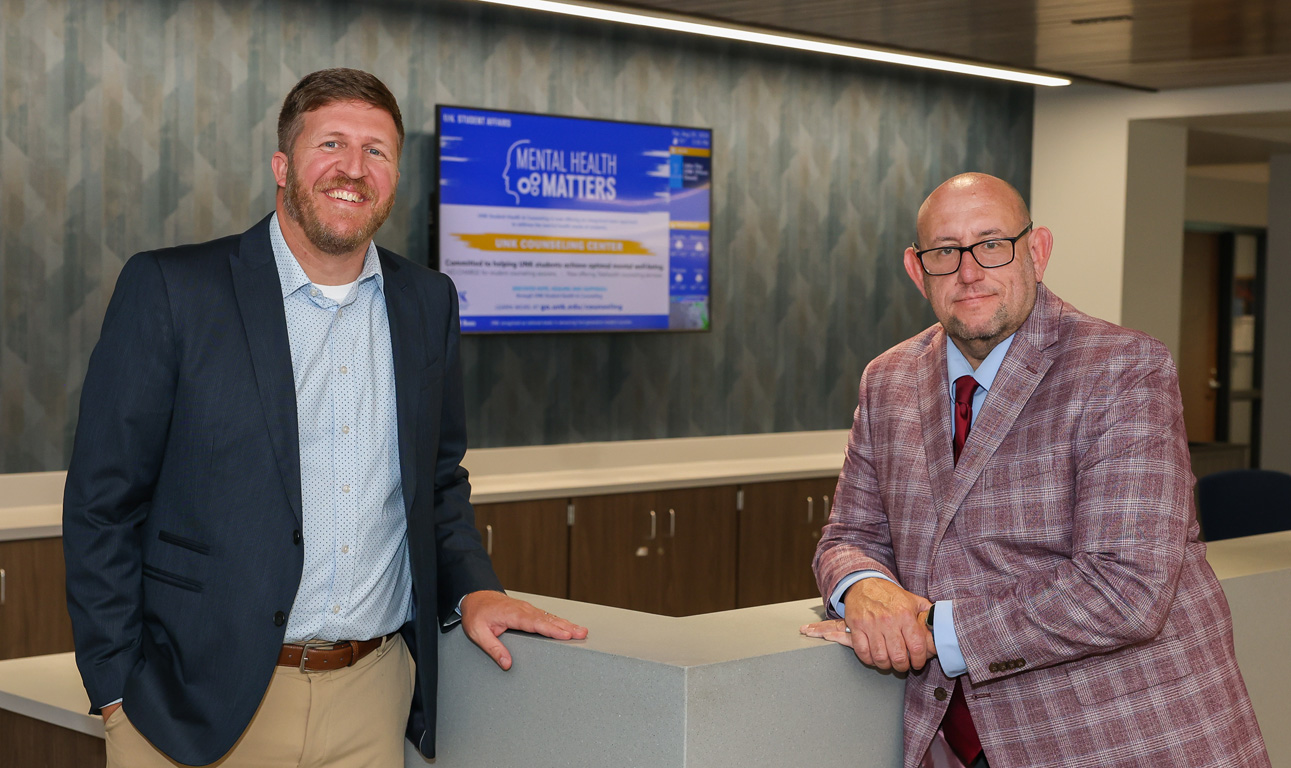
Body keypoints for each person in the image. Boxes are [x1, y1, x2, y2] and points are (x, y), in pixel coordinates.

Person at [63, 68, 587, 768]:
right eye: (332, 143)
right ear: (283, 166)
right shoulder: (173, 290)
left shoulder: (427, 303)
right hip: (194, 707)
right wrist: (114, 689)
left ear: (394, 177)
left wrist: (474, 590)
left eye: (376, 151)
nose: (353, 168)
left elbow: (436, 481)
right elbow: (102, 502)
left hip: (371, 701)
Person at [802, 173, 1269, 768]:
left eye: (991, 243)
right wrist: (861, 586)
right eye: (945, 252)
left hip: (1121, 738)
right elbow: (849, 536)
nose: (969, 271)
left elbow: (1125, 590)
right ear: (917, 270)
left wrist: (932, 628)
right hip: (949, 741)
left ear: (1038, 251)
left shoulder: (1123, 368)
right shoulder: (888, 378)